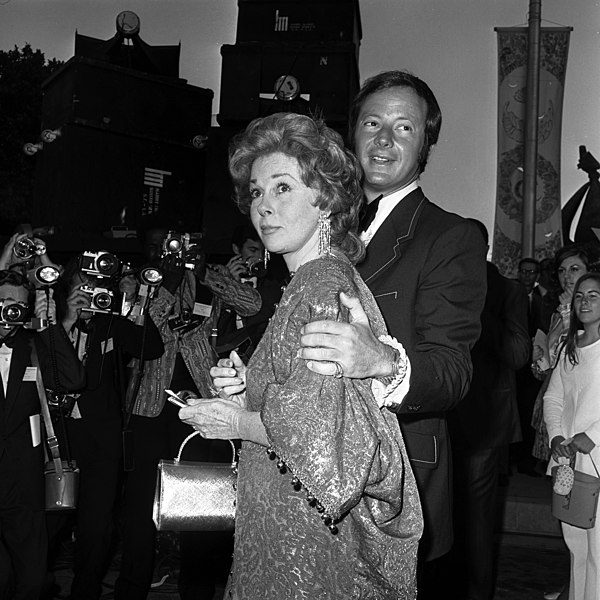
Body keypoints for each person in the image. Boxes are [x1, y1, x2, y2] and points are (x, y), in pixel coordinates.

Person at [177, 112, 423, 599]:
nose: (263, 206)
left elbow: (325, 444)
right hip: (287, 524)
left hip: (306, 547)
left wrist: (235, 422)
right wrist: (251, 387)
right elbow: (313, 402)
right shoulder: (309, 284)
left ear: (325, 199)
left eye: (282, 188)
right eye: (256, 192)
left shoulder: (322, 287)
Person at [296, 70, 487, 592]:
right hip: (302, 470)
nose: (384, 139)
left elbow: (452, 373)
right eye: (373, 123)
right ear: (352, 133)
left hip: (394, 480)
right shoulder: (313, 227)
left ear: (425, 143)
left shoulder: (452, 236)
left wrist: (381, 360)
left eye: (404, 128)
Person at [115, 218, 263, 600]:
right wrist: (164, 279)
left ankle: (196, 592)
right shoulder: (138, 281)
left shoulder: (204, 276)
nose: (166, 251)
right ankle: (131, 588)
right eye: (157, 245)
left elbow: (252, 303)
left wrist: (205, 273)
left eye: (173, 244)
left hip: (198, 402)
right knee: (140, 510)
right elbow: (143, 331)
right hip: (151, 405)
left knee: (200, 503)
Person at [47, 256, 164, 600]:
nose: (87, 294)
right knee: (50, 522)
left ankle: (85, 591)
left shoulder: (108, 321)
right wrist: (67, 320)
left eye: (93, 287)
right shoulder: (51, 322)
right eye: (79, 286)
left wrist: (132, 301)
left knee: (97, 526)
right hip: (59, 436)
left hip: (101, 438)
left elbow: (151, 347)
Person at [446, 219, 530, 599]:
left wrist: (479, 312)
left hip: (485, 421)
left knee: (478, 523)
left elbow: (518, 354)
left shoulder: (506, 290)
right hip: (441, 417)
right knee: (443, 517)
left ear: (482, 250)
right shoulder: (445, 283)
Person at [0, 269, 85, 600]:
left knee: (33, 581)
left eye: (19, 304)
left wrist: (49, 323)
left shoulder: (32, 345)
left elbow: (74, 378)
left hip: (24, 484)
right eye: (5, 301)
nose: (12, 310)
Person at [544, 272, 600, 600]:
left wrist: (593, 435)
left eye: (594, 295)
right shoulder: (570, 345)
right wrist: (556, 436)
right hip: (570, 461)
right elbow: (554, 397)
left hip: (595, 456)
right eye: (580, 296)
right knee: (577, 549)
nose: (585, 302)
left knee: (598, 551)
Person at [215, 222, 285, 362]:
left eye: (264, 251)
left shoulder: (274, 285)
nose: (259, 257)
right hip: (222, 358)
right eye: (253, 250)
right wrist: (228, 286)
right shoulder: (216, 280)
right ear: (236, 249)